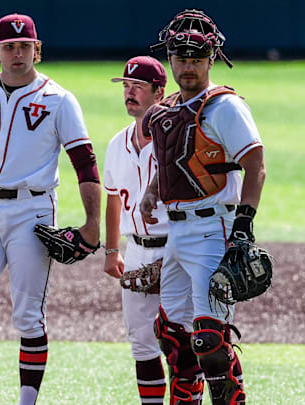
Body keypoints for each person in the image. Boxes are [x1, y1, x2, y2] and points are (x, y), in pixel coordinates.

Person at [0, 13, 101, 405]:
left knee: (28, 316)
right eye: (9, 47)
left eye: (25, 46)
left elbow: (85, 163)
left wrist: (93, 223)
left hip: (33, 211)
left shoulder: (59, 100)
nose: (18, 54)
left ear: (36, 50)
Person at [141, 9, 266, 405]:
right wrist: (151, 190)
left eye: (197, 58)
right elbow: (176, 159)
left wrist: (243, 225)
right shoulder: (168, 110)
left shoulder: (224, 107)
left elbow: (255, 166)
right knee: (173, 335)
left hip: (215, 229)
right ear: (170, 59)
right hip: (177, 232)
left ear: (212, 59)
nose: (188, 66)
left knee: (208, 337)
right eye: (181, 58)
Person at [103, 56, 168, 405]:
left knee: (185, 340)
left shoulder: (176, 141)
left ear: (159, 91)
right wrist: (112, 251)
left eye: (138, 87)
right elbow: (112, 199)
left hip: (177, 247)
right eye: (126, 87)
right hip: (136, 249)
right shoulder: (117, 143)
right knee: (141, 342)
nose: (129, 93)